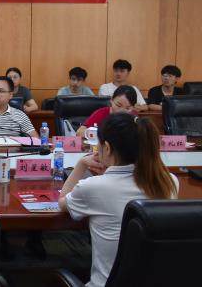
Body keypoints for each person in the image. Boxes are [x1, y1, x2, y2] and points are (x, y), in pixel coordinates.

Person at [59, 113, 178, 287]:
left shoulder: (94, 187)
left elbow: (62, 202)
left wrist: (81, 164)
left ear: (107, 148)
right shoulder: (169, 182)